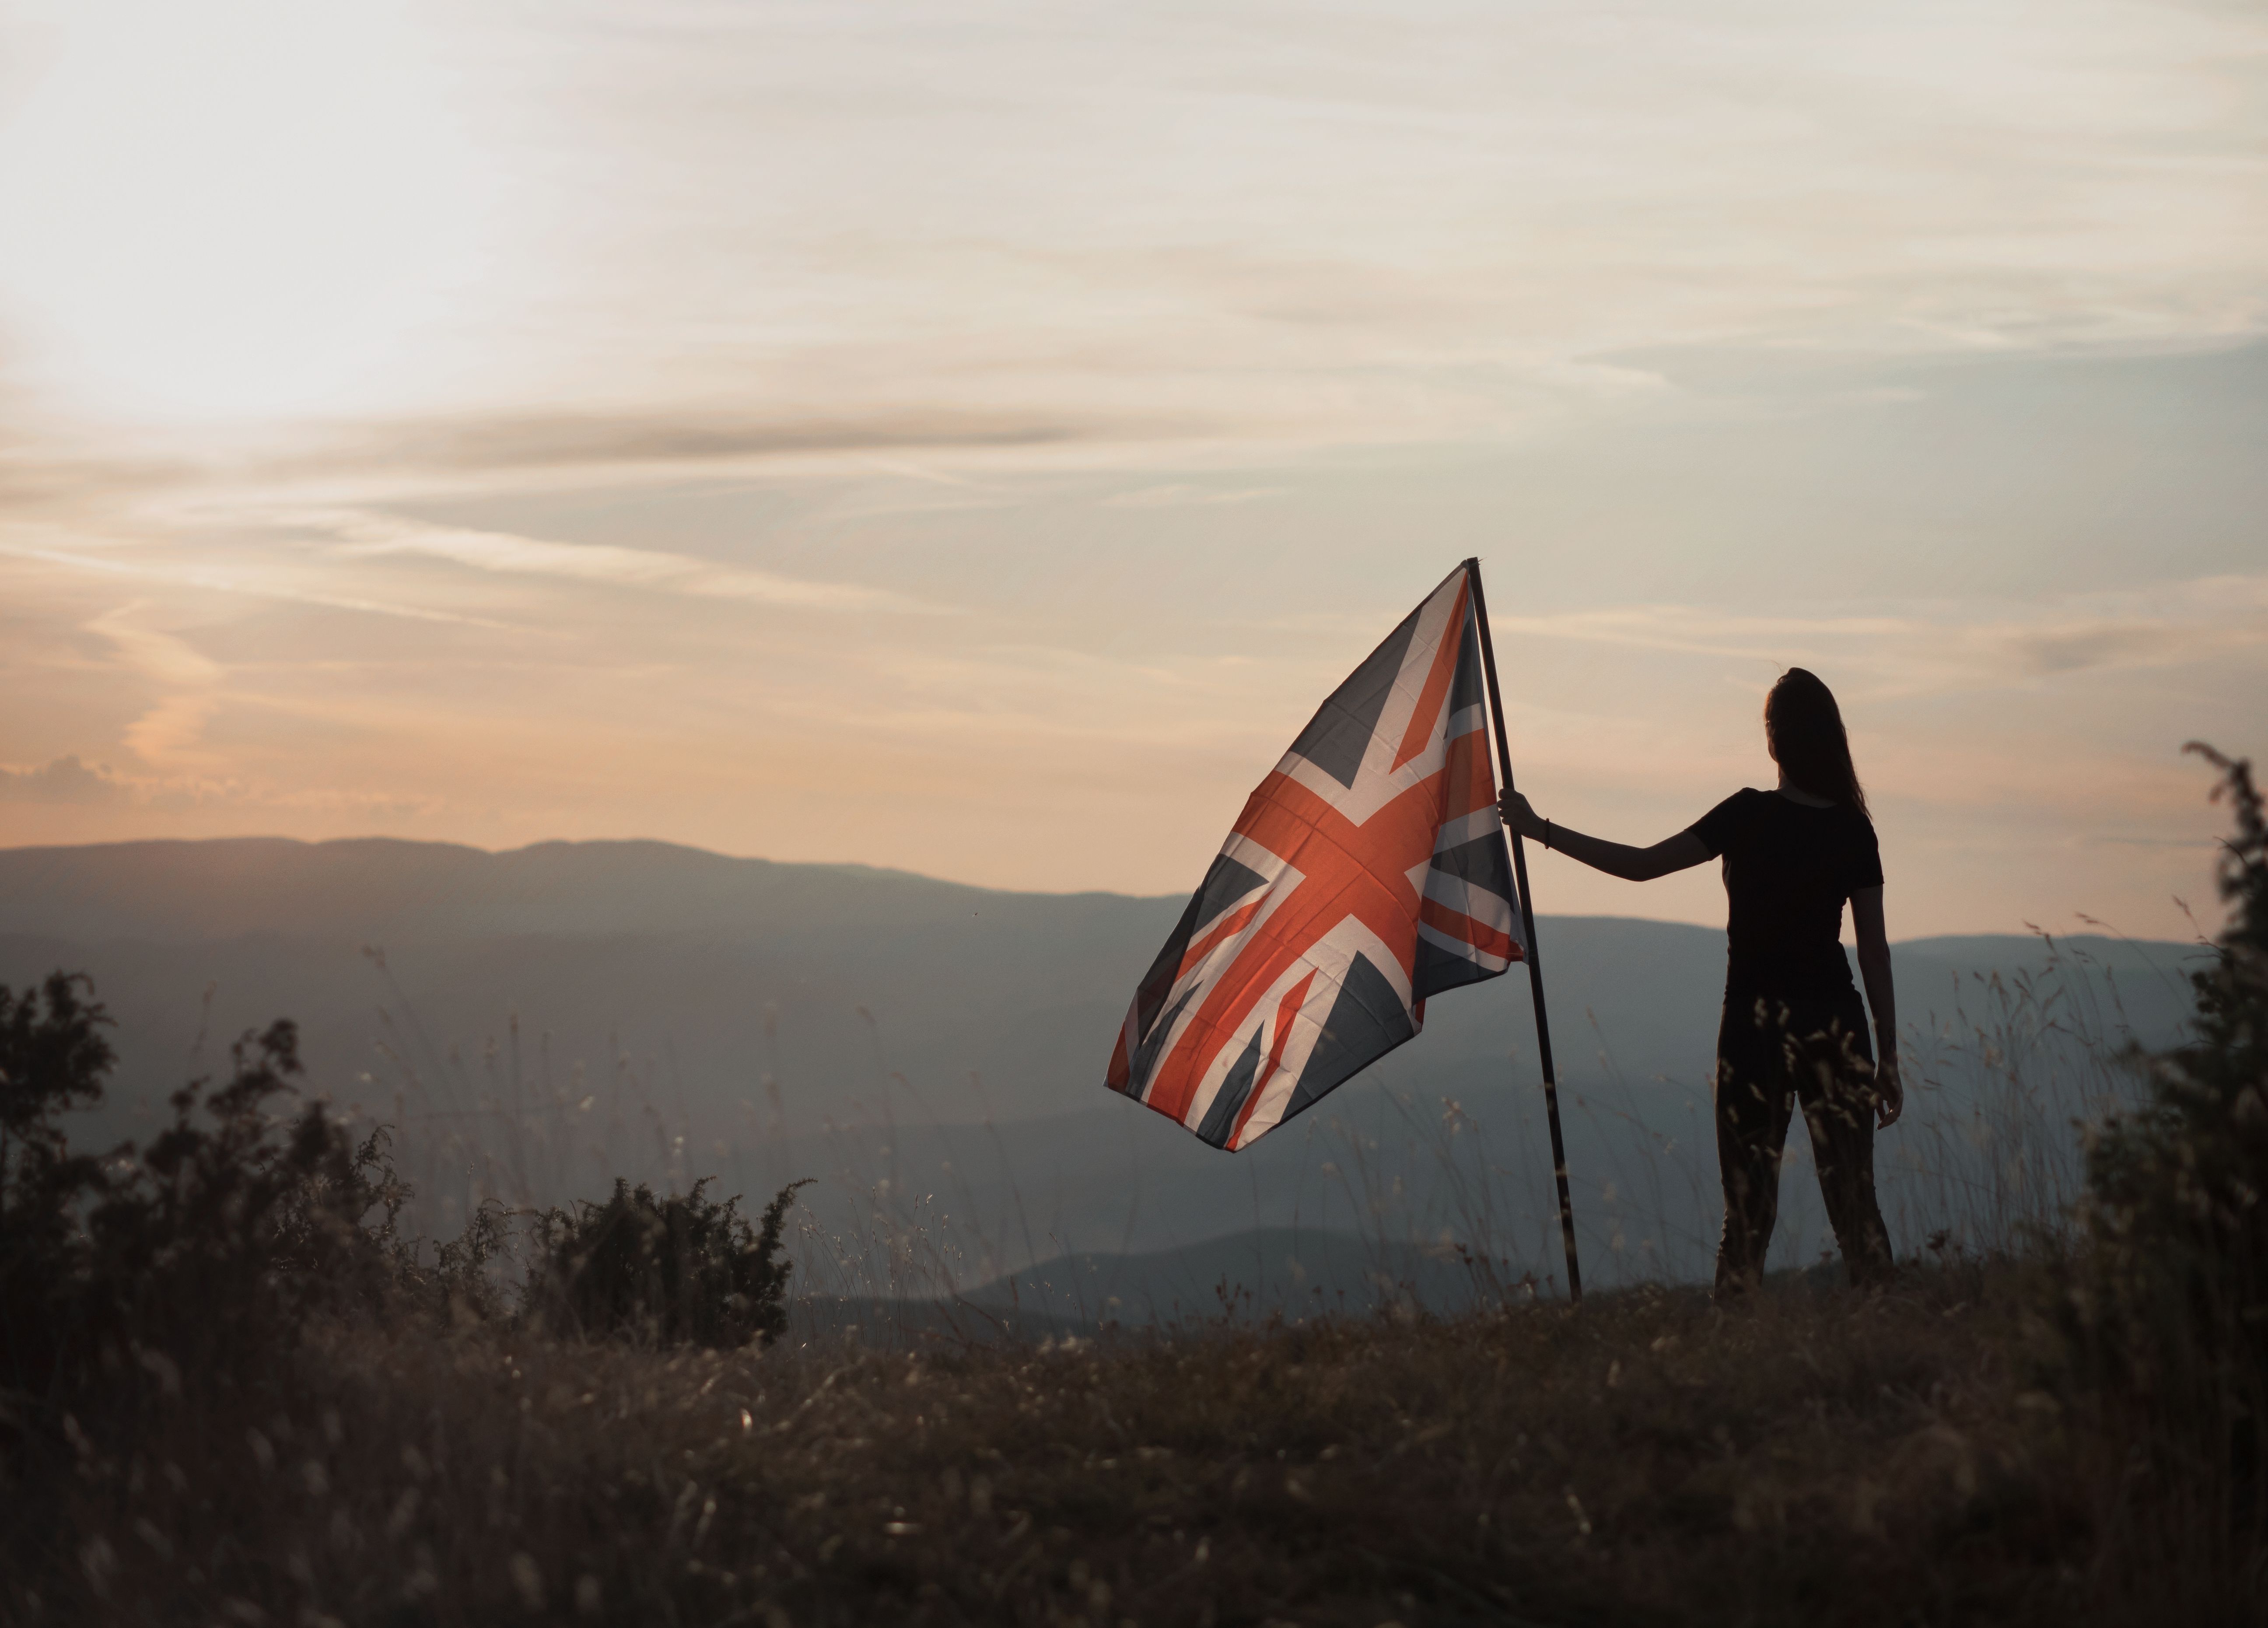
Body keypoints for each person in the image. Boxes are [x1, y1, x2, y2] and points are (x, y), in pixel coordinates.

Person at [1497, 667, 1900, 1295]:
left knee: (1746, 1216)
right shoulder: (1852, 828)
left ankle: (1732, 1345)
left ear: (1774, 741)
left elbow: (1640, 866)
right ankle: (1889, 1339)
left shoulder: (1746, 815)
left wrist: (1540, 830)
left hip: (1750, 1029)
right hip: (1835, 1022)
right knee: (1855, 1206)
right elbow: (1873, 953)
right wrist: (1889, 1054)